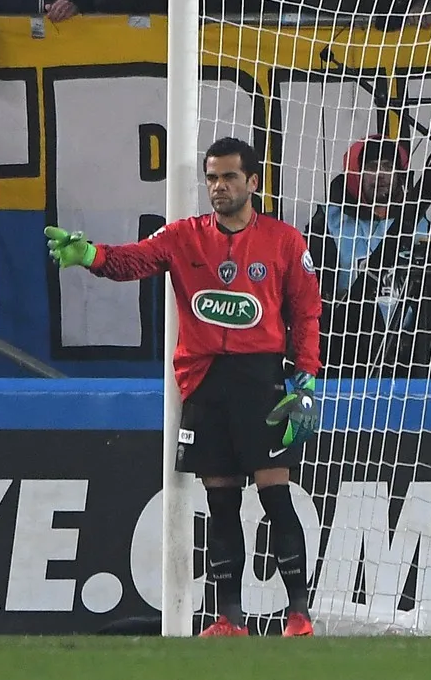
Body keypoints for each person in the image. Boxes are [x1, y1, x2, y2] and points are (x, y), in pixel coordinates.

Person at [45, 137, 322, 638]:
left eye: (229, 177)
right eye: (212, 178)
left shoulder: (285, 242)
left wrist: (304, 379)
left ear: (253, 182)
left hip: (260, 379)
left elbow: (306, 313)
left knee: (275, 496)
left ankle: (299, 613)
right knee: (219, 502)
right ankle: (229, 618)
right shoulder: (183, 237)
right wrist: (90, 254)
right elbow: (133, 261)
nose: (218, 187)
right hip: (204, 382)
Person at [304, 135, 431, 378]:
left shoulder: (421, 225)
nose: (381, 175)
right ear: (354, 173)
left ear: (400, 175)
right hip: (345, 350)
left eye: (388, 167)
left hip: (410, 353)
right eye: (372, 167)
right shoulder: (328, 223)